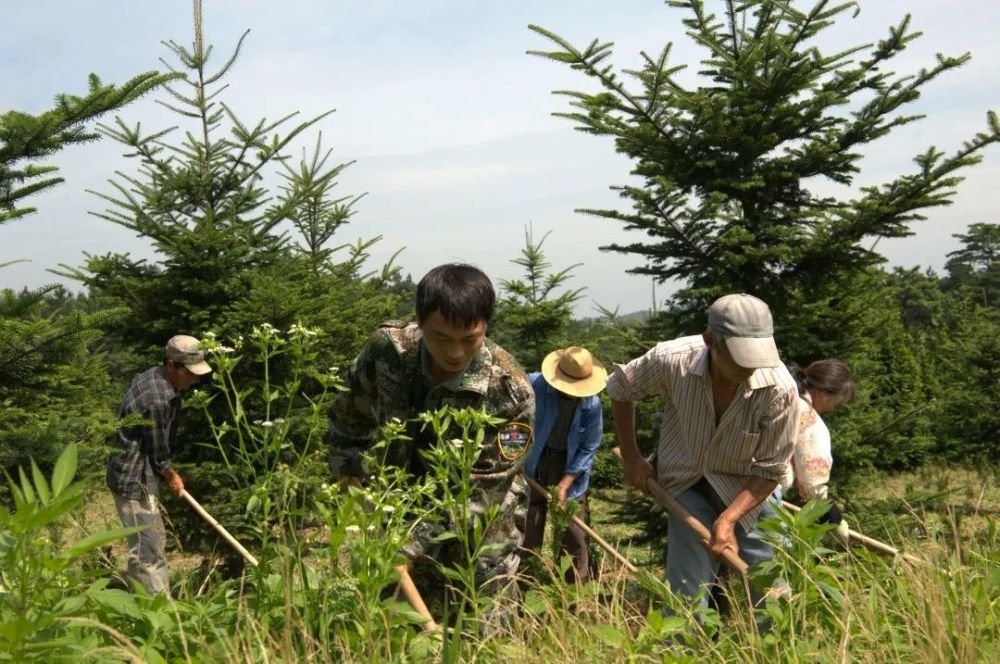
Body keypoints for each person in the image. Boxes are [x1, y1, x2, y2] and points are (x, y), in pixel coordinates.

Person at [327, 263, 535, 601]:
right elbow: (348, 412)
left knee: (480, 627)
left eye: (470, 339)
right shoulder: (388, 350)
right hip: (393, 506)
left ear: (486, 327)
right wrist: (349, 469)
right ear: (420, 324)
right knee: (390, 626)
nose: (455, 353)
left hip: (480, 535)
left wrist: (408, 545)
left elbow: (483, 492)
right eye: (441, 337)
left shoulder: (510, 391)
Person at [608, 293, 798, 607]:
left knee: (772, 586)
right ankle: (683, 651)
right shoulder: (672, 360)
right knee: (687, 593)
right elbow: (620, 387)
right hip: (687, 483)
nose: (749, 366)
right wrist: (632, 457)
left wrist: (729, 519)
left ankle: (781, 649)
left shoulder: (780, 389)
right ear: (711, 340)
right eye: (740, 356)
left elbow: (770, 470)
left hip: (749, 490)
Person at [106, 335, 212, 595]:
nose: (194, 379)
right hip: (134, 479)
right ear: (172, 365)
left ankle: (136, 600)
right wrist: (171, 474)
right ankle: (159, 612)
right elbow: (157, 450)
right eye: (190, 372)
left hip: (139, 472)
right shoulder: (156, 398)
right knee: (148, 549)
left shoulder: (157, 377)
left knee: (149, 542)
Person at [521, 346, 606, 583]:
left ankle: (572, 596)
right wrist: (513, 456)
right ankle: (523, 586)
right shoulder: (534, 385)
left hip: (570, 466)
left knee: (573, 530)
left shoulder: (592, 405)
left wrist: (565, 484)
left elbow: (589, 447)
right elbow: (513, 420)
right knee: (529, 525)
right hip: (533, 458)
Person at [781, 359, 855, 537]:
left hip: (719, 480)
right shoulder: (810, 421)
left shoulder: (783, 395)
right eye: (836, 403)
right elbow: (812, 485)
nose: (832, 409)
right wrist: (834, 518)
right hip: (758, 494)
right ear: (823, 394)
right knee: (774, 554)